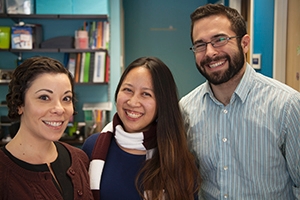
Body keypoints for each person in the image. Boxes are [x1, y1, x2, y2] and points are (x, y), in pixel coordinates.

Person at [179, 3, 300, 199]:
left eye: (219, 40)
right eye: (200, 44)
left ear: (244, 44)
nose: (210, 52)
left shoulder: (287, 106)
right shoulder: (186, 109)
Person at [82, 56, 201, 200]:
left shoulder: (177, 157)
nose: (133, 102)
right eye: (127, 90)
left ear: (162, 103)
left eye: (146, 94)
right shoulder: (92, 147)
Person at [0, 56, 93, 199]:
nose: (59, 109)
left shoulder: (80, 159)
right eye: (44, 97)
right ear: (19, 104)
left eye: (66, 98)